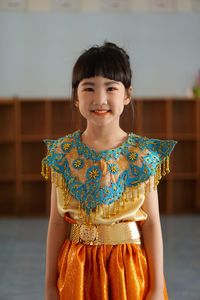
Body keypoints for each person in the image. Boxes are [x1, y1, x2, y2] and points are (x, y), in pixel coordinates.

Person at [41, 41, 177, 300]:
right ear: (75, 96)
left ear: (126, 95)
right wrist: (49, 285)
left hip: (127, 269)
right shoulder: (63, 154)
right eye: (88, 88)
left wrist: (157, 288)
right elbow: (57, 222)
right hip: (76, 268)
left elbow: (151, 225)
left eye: (111, 88)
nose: (99, 99)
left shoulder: (142, 155)